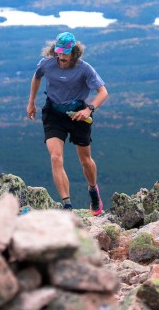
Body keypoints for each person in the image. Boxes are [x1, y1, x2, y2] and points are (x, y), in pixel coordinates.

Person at [26, 31, 109, 215]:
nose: (61, 56)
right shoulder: (47, 64)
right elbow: (37, 77)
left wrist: (89, 109)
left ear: (74, 52)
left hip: (78, 115)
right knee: (56, 157)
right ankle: (67, 205)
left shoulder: (85, 69)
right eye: (59, 52)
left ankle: (93, 190)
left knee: (85, 160)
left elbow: (103, 92)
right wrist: (31, 102)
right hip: (54, 113)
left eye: (65, 53)